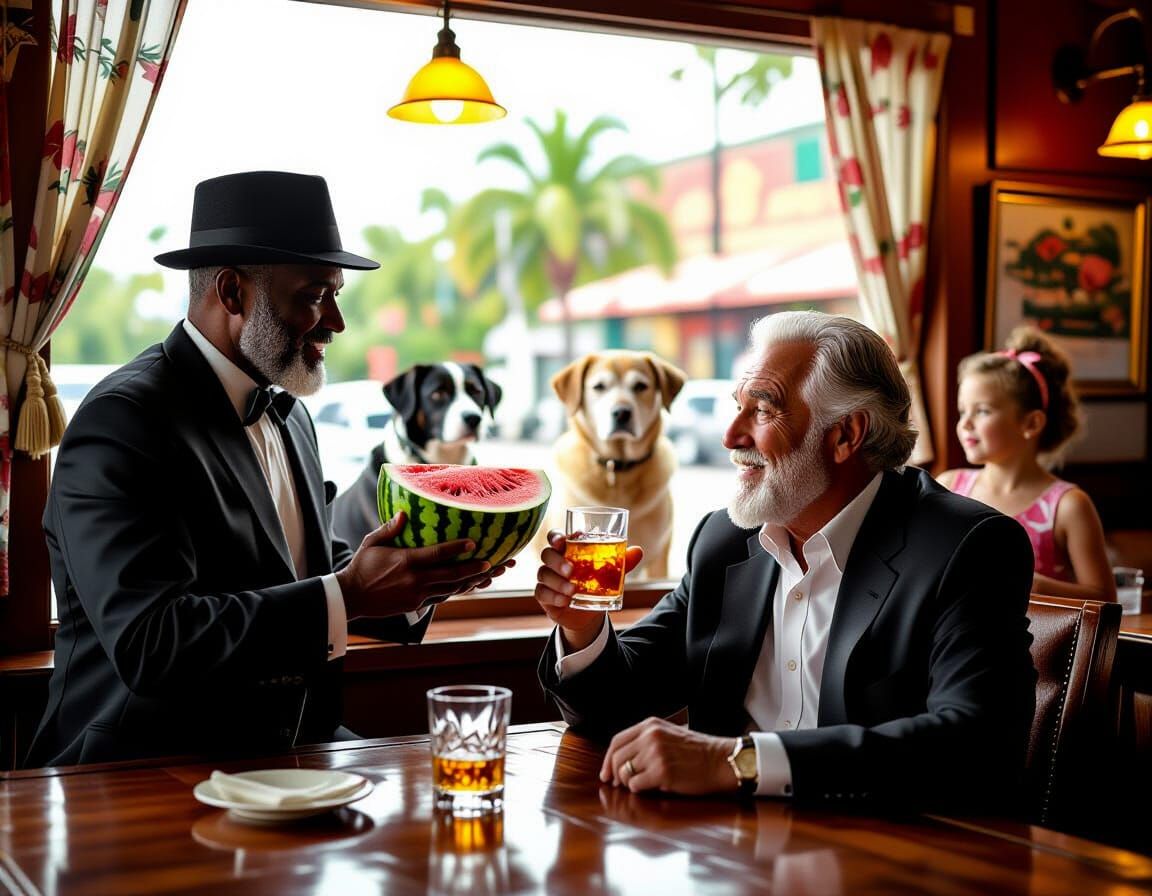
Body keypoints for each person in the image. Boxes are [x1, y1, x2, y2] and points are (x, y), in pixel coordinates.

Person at [27, 171, 509, 767]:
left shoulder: (288, 412)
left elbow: (295, 568)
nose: (336, 322)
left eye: (336, 295)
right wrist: (350, 594)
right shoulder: (123, 423)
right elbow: (153, 642)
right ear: (233, 293)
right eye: (314, 295)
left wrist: (417, 579)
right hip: (139, 770)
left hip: (285, 756)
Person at [532, 311, 1037, 811]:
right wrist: (583, 628)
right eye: (737, 406)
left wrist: (740, 762)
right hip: (732, 857)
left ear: (845, 435)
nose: (730, 436)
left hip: (894, 857)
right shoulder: (725, 540)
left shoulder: (968, 547)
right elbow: (615, 707)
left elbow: (976, 740)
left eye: (763, 409)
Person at [938, 327, 1116, 603]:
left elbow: (1104, 599)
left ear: (1031, 423)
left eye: (982, 411)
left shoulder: (1068, 506)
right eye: (963, 411)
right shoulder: (948, 487)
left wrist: (1039, 588)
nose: (965, 424)